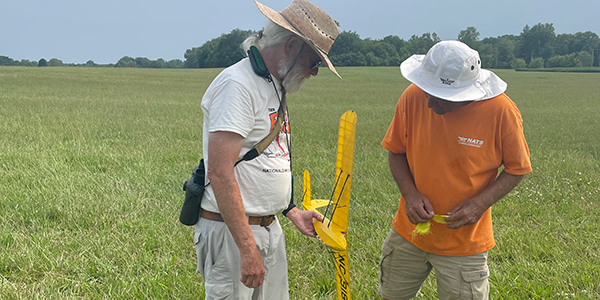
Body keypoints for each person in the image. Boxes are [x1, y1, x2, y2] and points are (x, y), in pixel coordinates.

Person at [193, 0, 341, 299]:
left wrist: (290, 211)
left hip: (267, 229)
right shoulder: (238, 85)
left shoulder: (273, 84)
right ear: (290, 46)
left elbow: (265, 157)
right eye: (313, 62)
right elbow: (220, 173)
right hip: (234, 235)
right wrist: (247, 249)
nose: (313, 73)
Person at [378, 40, 532, 300]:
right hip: (409, 233)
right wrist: (410, 194)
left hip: (465, 243)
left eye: (438, 97)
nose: (427, 103)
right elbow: (396, 151)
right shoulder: (413, 96)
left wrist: (479, 204)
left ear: (467, 93)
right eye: (427, 91)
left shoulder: (501, 111)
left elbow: (518, 169)